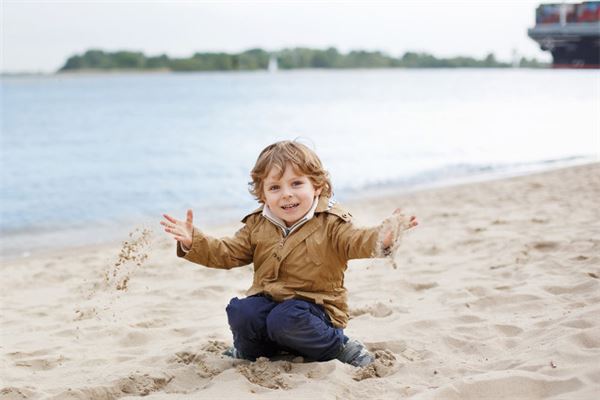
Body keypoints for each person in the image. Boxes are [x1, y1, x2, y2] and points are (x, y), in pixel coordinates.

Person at [161, 140, 417, 367]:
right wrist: (193, 241)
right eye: (275, 187)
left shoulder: (331, 223)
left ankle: (339, 347)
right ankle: (253, 351)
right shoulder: (257, 224)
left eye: (296, 183)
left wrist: (383, 235)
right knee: (243, 312)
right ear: (263, 194)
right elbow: (227, 252)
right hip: (271, 306)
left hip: (315, 311)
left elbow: (357, 240)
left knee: (287, 317)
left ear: (317, 187)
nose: (287, 194)